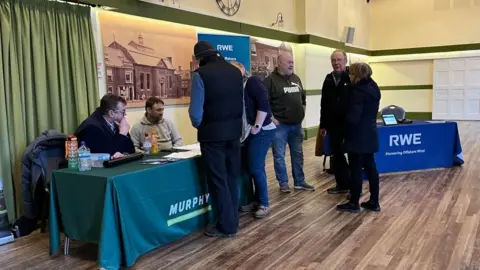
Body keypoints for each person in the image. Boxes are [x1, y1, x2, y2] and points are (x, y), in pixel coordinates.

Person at [188, 41, 243, 237]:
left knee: (218, 180)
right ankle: (233, 220)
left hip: (212, 136)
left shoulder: (200, 75)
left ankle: (226, 226)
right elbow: (241, 104)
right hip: (235, 133)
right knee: (231, 177)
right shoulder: (235, 72)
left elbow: (196, 113)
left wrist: (200, 125)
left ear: (199, 58)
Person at [231, 61, 276, 219]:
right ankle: (253, 200)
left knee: (256, 167)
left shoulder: (253, 81)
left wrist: (257, 125)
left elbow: (263, 103)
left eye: (236, 69)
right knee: (246, 168)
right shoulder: (234, 88)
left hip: (261, 130)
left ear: (243, 69)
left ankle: (264, 204)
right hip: (246, 133)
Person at [264, 53, 315, 193]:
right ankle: (283, 183)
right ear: (279, 63)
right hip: (280, 126)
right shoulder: (270, 81)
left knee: (298, 154)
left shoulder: (296, 78)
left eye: (292, 62)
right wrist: (272, 118)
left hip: (296, 125)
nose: (291, 64)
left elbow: (303, 99)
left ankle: (299, 181)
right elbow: (264, 102)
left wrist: (302, 113)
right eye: (288, 62)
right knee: (279, 156)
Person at [336, 62, 381, 213]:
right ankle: (374, 201)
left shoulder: (358, 92)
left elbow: (353, 117)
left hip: (357, 136)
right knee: (371, 169)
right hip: (370, 133)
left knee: (355, 169)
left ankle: (354, 202)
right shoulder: (374, 87)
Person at [319, 49, 352, 195]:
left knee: (352, 156)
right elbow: (324, 104)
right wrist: (323, 124)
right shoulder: (328, 79)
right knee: (337, 156)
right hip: (333, 125)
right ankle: (342, 184)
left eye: (339, 60)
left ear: (345, 61)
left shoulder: (351, 77)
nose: (336, 63)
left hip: (349, 125)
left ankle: (353, 186)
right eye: (334, 60)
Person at [75, 94, 135, 158]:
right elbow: (106, 154)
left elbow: (131, 151)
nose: (125, 114)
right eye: (123, 111)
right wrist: (122, 135)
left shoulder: (115, 123)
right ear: (111, 113)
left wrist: (124, 154)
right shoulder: (91, 128)